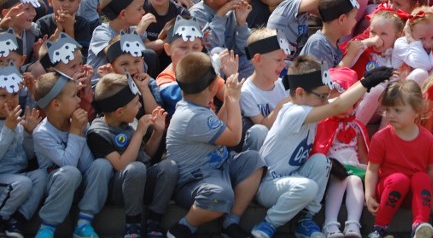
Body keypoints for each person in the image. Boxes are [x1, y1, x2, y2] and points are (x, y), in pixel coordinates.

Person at [251, 56, 393, 238]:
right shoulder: (293, 111)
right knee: (308, 187)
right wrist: (365, 82)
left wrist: (361, 83)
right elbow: (337, 106)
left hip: (293, 179)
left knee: (321, 162)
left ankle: (305, 220)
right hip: (270, 186)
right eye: (323, 96)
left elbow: (338, 103)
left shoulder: (309, 106)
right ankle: (267, 224)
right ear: (300, 93)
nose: (327, 101)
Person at [166, 52, 266, 238]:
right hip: (194, 182)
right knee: (221, 194)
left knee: (254, 161)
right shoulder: (192, 116)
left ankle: (231, 223)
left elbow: (219, 127)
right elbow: (234, 137)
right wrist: (234, 99)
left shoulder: (196, 105)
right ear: (213, 86)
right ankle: (185, 226)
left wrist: (229, 93)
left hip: (219, 169)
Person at [87, 74, 177, 238]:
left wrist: (157, 133)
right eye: (136, 104)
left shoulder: (129, 121)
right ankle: (132, 225)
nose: (139, 107)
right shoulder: (98, 132)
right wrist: (139, 132)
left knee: (169, 166)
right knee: (135, 168)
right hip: (120, 188)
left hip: (142, 179)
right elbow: (121, 165)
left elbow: (145, 156)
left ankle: (154, 221)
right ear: (119, 111)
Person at [32, 72, 113, 238]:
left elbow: (86, 165)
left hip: (81, 186)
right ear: (56, 105)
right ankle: (47, 228)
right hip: (57, 188)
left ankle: (83, 223)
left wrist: (80, 130)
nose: (79, 100)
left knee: (102, 165)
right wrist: (75, 132)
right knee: (70, 173)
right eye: (74, 95)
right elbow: (67, 163)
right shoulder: (42, 133)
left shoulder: (79, 122)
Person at [364, 80, 433, 238]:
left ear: (416, 111)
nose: (390, 115)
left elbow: (431, 170)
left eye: (397, 110)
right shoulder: (381, 138)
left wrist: (429, 197)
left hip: (414, 195)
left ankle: (419, 226)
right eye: (388, 110)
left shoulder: (427, 139)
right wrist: (369, 196)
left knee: (421, 177)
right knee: (400, 179)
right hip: (388, 191)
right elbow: (372, 169)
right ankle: (379, 228)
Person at [311, 67, 367, 238]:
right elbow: (319, 147)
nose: (343, 108)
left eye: (348, 103)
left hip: (354, 167)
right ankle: (330, 224)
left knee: (355, 180)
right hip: (333, 168)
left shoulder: (357, 126)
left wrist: (369, 170)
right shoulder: (323, 123)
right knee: (340, 179)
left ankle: (353, 224)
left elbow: (364, 152)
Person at [0, 63, 47, 238]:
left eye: (13, 94)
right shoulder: (11, 124)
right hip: (4, 178)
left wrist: (28, 133)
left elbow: (28, 156)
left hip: (17, 178)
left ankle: (16, 220)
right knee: (23, 183)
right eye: (2, 96)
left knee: (41, 176)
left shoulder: (17, 121)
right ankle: (2, 218)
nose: (10, 100)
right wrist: (8, 129)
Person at [241, 28, 289, 151]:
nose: (283, 64)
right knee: (259, 132)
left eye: (284, 60)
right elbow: (262, 129)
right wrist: (281, 106)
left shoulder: (282, 85)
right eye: (278, 60)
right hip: (263, 148)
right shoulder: (247, 92)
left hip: (284, 143)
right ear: (258, 60)